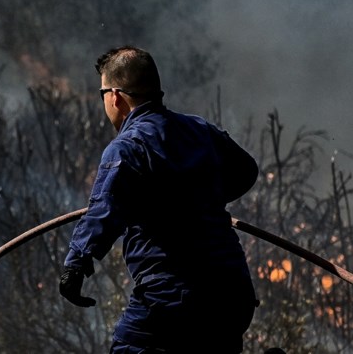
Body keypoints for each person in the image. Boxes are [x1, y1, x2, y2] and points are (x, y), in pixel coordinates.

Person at [59, 46, 258, 353]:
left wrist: (75, 266)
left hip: (174, 296)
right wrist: (202, 199)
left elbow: (104, 209)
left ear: (114, 96)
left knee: (129, 347)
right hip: (234, 294)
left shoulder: (127, 146)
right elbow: (246, 171)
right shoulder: (200, 130)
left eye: (102, 95)